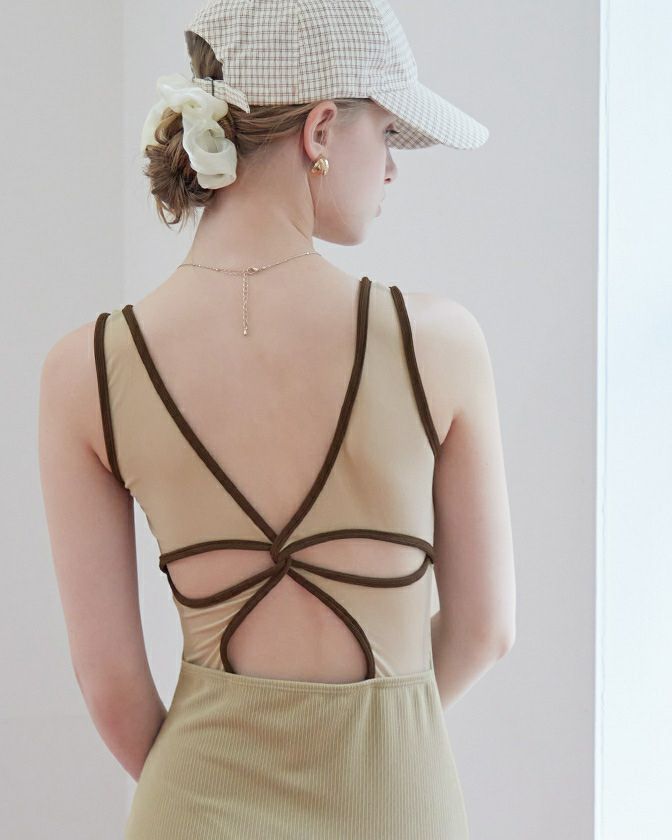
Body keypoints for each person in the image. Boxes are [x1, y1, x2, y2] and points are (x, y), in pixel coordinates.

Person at [38, 1, 515, 837]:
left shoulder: (88, 368)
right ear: (321, 130)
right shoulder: (437, 342)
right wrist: (366, 740)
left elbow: (109, 684)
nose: (392, 169)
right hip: (392, 804)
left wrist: (225, 782)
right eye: (388, 132)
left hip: (194, 809)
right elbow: (485, 629)